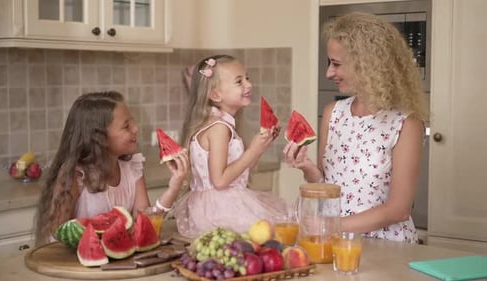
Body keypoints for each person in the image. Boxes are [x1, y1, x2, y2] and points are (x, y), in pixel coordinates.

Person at [283, 12, 429, 243]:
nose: (328, 72)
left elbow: (399, 209)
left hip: (386, 246)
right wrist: (307, 167)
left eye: (336, 64)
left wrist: (329, 225)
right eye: (329, 62)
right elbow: (326, 186)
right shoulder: (333, 113)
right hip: (335, 241)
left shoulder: (406, 124)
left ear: (367, 65)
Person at [34, 91, 190, 246]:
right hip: (79, 266)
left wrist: (173, 187)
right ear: (99, 138)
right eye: (126, 126)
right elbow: (55, 237)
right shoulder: (76, 175)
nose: (136, 128)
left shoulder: (132, 168)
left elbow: (145, 225)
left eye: (133, 122)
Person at [174, 55, 288, 238]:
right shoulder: (219, 128)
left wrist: (260, 147)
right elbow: (220, 181)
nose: (248, 85)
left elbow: (240, 171)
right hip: (218, 210)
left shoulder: (217, 123)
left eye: (247, 78)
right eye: (239, 81)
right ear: (215, 94)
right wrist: (253, 150)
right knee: (282, 225)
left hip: (209, 207)